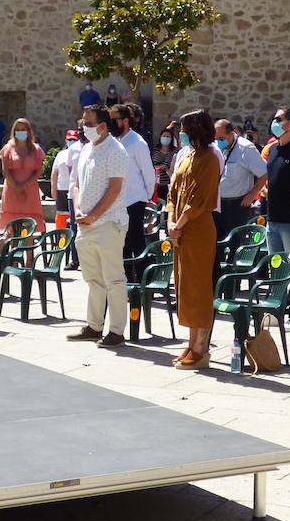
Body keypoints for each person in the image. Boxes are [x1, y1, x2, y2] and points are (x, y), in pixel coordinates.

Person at [67, 105, 131, 347]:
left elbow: (114, 189)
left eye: (88, 123)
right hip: (86, 224)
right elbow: (76, 184)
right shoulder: (85, 149)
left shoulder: (115, 150)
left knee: (113, 279)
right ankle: (94, 326)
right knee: (93, 279)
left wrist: (93, 215)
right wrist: (80, 210)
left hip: (108, 223)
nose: (84, 126)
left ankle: (116, 331)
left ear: (103, 126)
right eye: (82, 121)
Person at [166, 110, 220, 369]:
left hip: (197, 229)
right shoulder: (187, 156)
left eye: (184, 129)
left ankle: (201, 346)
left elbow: (200, 199)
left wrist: (180, 223)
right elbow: (173, 192)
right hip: (181, 230)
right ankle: (190, 341)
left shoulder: (210, 158)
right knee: (184, 285)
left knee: (197, 286)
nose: (180, 134)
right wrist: (170, 223)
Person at [112, 104, 156, 270]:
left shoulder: (137, 142)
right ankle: (128, 283)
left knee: (136, 243)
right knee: (122, 246)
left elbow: (148, 171)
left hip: (134, 200)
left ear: (125, 121)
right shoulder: (115, 141)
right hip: (118, 202)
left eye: (114, 120)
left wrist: (145, 195)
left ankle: (143, 283)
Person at [264, 107, 290, 256]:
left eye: (278, 119)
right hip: (272, 220)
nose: (273, 123)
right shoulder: (273, 150)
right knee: (276, 269)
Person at [214, 118, 268, 240]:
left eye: (221, 138)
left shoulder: (246, 148)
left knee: (235, 240)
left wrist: (252, 195)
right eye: (216, 138)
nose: (218, 141)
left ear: (232, 133)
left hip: (237, 204)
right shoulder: (218, 148)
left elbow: (264, 174)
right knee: (218, 240)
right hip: (218, 202)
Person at [0, 117, 47, 233]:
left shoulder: (36, 149)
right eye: (18, 129)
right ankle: (13, 250)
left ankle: (29, 250)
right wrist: (17, 187)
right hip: (11, 189)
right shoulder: (7, 148)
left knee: (29, 227)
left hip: (30, 190)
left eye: (23, 129)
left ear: (29, 131)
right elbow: (5, 170)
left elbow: (39, 170)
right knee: (12, 228)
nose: (20, 132)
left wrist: (24, 186)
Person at [53, 129, 81, 223]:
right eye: (70, 140)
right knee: (62, 216)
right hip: (62, 189)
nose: (71, 142)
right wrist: (53, 190)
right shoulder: (61, 154)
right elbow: (54, 173)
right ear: (66, 140)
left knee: (74, 217)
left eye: (74, 140)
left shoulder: (81, 152)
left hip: (76, 190)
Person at [150, 127, 177, 202]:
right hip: (155, 184)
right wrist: (160, 167)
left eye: (168, 136)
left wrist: (167, 168)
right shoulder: (154, 151)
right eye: (164, 136)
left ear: (171, 139)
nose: (165, 138)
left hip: (169, 184)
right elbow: (150, 165)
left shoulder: (175, 151)